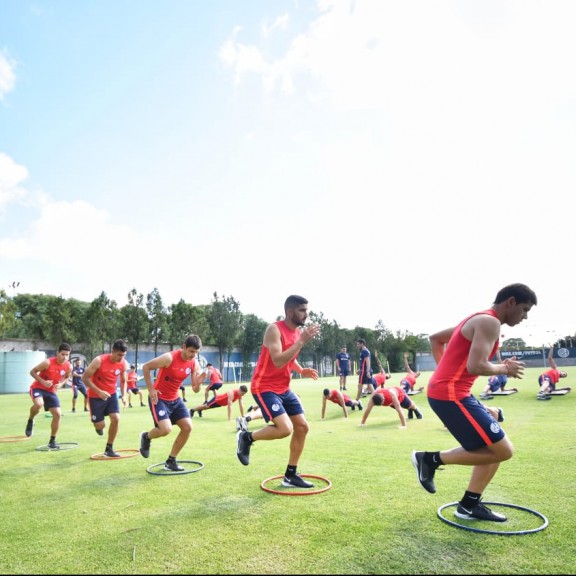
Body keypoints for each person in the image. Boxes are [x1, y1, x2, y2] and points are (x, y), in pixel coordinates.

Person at [411, 283, 537, 522]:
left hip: (454, 392)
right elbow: (476, 366)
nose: (525, 316)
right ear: (510, 302)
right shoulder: (490, 323)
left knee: (494, 448)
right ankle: (428, 459)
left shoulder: (476, 319)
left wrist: (444, 373)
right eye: (524, 309)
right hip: (451, 395)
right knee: (504, 450)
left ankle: (468, 506)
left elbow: (436, 339)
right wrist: (505, 368)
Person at [236, 295, 321, 489]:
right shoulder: (274, 329)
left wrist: (300, 370)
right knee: (285, 428)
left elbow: (289, 357)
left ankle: (290, 475)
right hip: (264, 387)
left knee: (302, 427)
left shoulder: (297, 332)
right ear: (290, 312)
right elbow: (278, 360)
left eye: (307, 310)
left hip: (283, 388)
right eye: (302, 310)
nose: (306, 315)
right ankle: (246, 437)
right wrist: (301, 342)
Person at [139, 335, 207, 472]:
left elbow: (195, 389)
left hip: (175, 400)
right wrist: (151, 389)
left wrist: (199, 383)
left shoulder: (194, 363)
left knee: (188, 427)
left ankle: (171, 461)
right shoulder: (169, 358)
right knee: (165, 430)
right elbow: (146, 367)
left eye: (196, 353)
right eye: (191, 351)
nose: (193, 355)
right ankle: (146, 437)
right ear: (183, 347)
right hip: (159, 398)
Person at [82, 339, 129, 458]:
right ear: (112, 351)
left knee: (116, 418)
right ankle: (98, 426)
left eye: (123, 355)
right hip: (95, 396)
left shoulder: (123, 363)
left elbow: (123, 380)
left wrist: (123, 395)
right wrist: (99, 391)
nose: (121, 358)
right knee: (100, 425)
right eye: (119, 355)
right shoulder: (99, 361)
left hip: (112, 394)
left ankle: (109, 448)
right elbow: (85, 378)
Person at [25, 343, 73, 448]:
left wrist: (60, 384)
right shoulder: (47, 363)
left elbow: (67, 377)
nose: (65, 357)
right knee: (39, 404)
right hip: (38, 388)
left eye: (67, 355)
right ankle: (31, 419)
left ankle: (52, 441)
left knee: (58, 414)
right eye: (63, 354)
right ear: (57, 353)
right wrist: (43, 382)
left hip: (51, 392)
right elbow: (32, 372)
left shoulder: (68, 366)